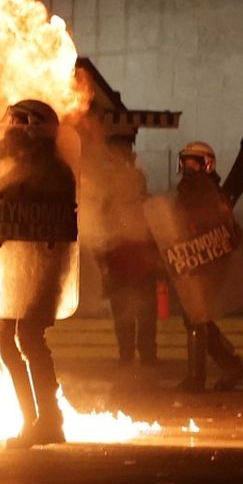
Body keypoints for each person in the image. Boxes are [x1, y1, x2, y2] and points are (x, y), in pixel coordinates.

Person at [0, 100, 76, 449]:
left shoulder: (53, 172)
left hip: (42, 267)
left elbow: (35, 215)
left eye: (15, 123)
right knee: (5, 339)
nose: (8, 130)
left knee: (28, 337)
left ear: (32, 128)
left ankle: (50, 420)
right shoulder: (20, 167)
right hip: (17, 267)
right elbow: (8, 213)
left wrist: (0, 205)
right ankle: (32, 419)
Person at [173, 142, 243, 392]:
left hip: (207, 262)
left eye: (193, 162)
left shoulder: (209, 192)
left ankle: (197, 377)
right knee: (197, 317)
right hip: (192, 260)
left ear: (206, 164)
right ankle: (232, 365)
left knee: (196, 317)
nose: (188, 167)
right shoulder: (188, 190)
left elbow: (221, 227)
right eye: (185, 162)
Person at [94, 141, 159, 371]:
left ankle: (139, 357)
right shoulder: (114, 206)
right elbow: (102, 237)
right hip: (126, 269)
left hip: (137, 268)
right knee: (130, 317)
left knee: (140, 317)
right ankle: (135, 357)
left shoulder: (146, 206)